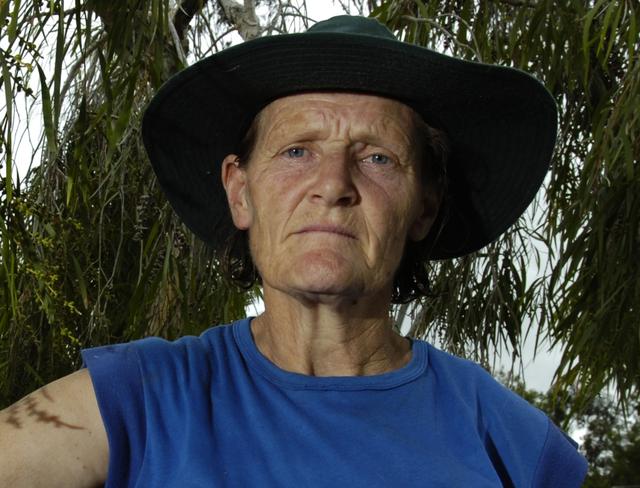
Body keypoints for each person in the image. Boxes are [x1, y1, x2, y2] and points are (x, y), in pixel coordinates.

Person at [0, 15, 587, 487]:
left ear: (424, 207)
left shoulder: (513, 445)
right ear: (240, 191)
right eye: (297, 151)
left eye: (378, 157)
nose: (333, 184)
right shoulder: (139, 398)